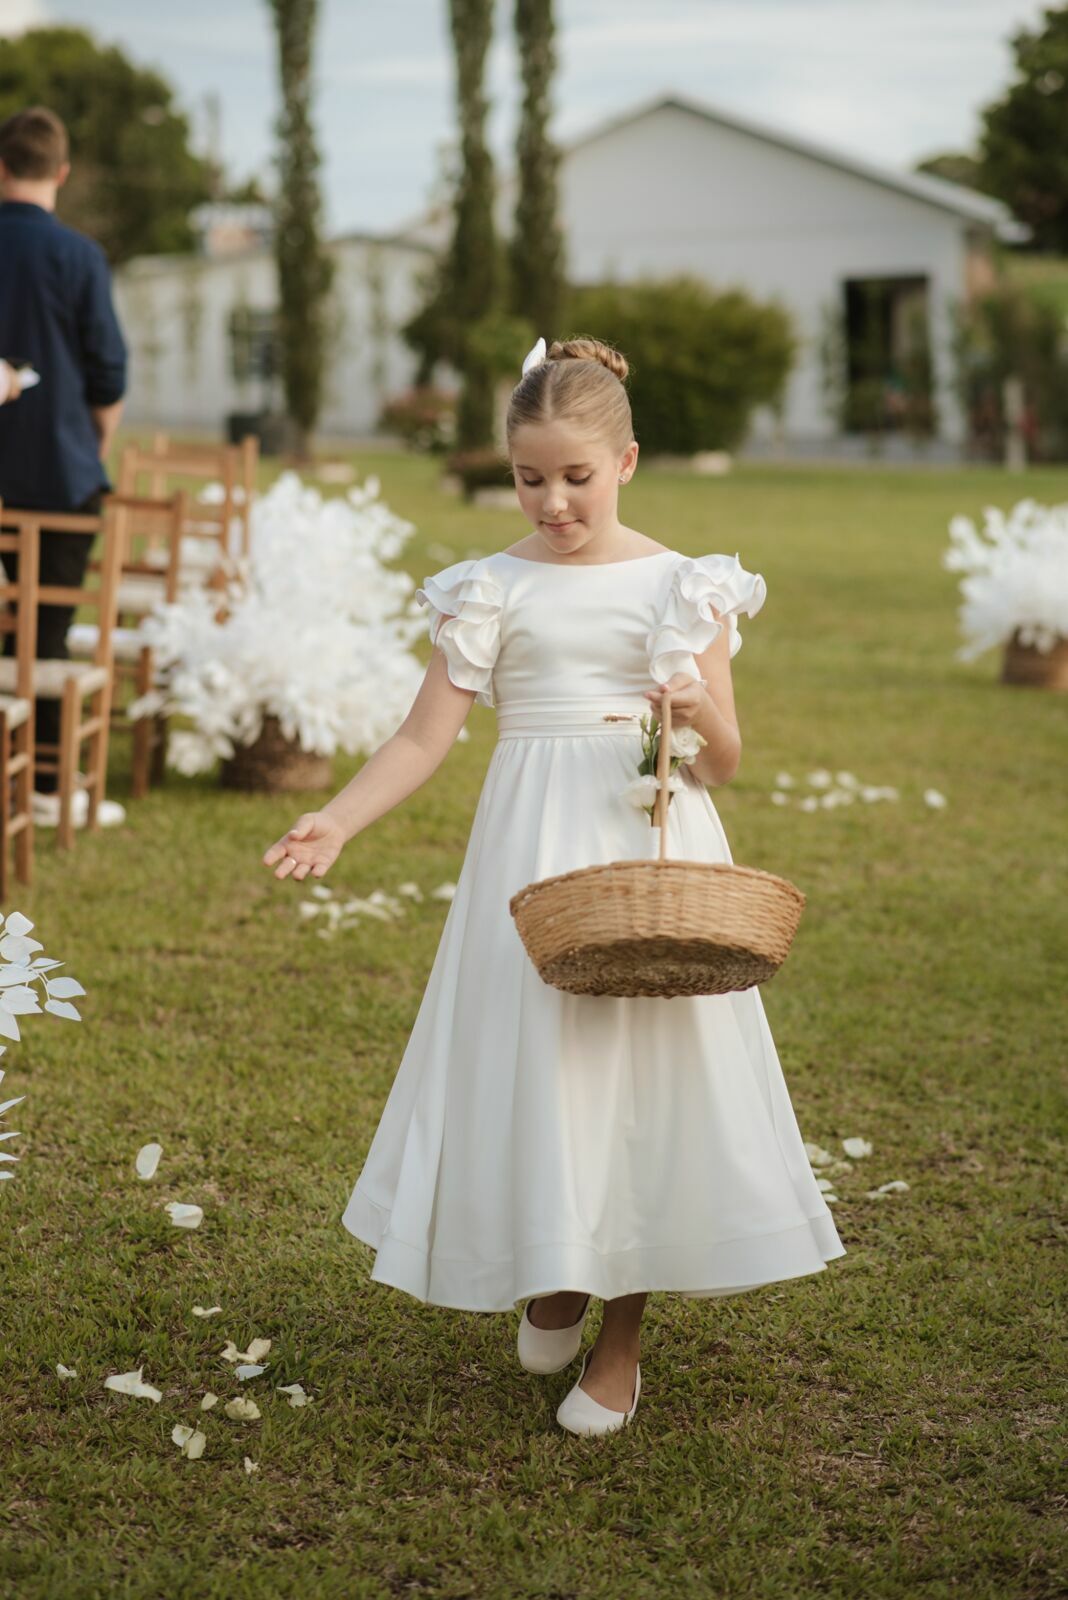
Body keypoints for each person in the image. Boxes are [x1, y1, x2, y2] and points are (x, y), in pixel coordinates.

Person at [263, 336, 846, 1437]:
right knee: (541, 1062)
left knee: (641, 1073)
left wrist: (694, 710)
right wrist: (338, 817)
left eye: (576, 477)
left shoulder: (685, 586)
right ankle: (558, 1266)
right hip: (530, 855)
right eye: (531, 478)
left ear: (627, 460)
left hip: (648, 849)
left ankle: (619, 1336)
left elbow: (723, 761)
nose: (554, 501)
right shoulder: (490, 589)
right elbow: (423, 737)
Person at [0, 105, 128, 827]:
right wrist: (92, 447)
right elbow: (108, 376)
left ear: (0, 168)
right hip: (58, 474)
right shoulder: (79, 257)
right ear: (63, 173)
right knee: (44, 635)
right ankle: (48, 787)